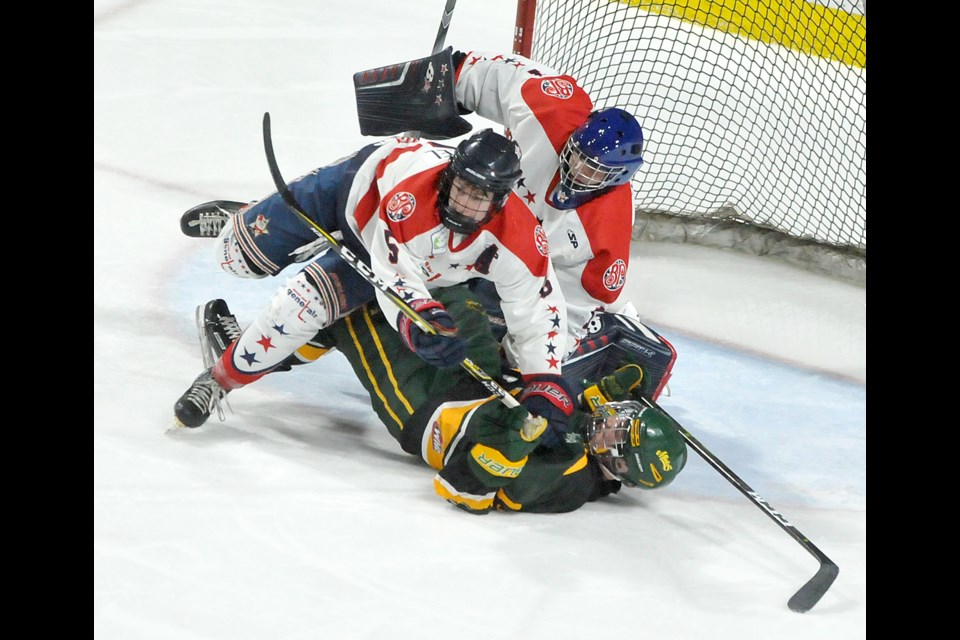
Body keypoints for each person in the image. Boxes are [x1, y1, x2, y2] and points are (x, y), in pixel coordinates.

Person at [173, 129, 578, 442]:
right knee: (236, 259)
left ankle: (217, 380)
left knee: (299, 309)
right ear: (450, 177)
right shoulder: (412, 201)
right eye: (464, 188)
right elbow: (394, 278)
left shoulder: (521, 237)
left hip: (390, 255)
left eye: (482, 196)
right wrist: (422, 321)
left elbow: (539, 307)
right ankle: (245, 221)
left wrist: (543, 379)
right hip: (354, 192)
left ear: (502, 199)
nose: (466, 205)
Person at [190, 285, 687, 514]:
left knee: (350, 309)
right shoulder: (588, 445)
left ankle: (252, 354)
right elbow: (568, 413)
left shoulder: (568, 485)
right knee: (452, 288)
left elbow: (468, 487)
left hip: (430, 412)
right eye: (622, 419)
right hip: (480, 381)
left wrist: (518, 441)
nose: (610, 423)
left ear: (619, 465)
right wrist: (600, 392)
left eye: (618, 434)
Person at [451, 50, 647, 358]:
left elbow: (572, 311)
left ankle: (618, 321)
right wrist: (455, 78)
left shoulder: (607, 228)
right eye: (578, 156)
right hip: (489, 226)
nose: (578, 170)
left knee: (495, 328)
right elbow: (509, 79)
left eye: (594, 170)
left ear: (618, 177)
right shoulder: (555, 114)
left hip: (534, 269)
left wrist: (526, 359)